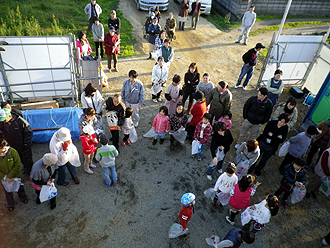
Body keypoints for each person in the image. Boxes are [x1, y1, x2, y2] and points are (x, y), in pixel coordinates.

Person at [0, 108, 33, 176]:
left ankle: (30, 172)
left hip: (23, 145)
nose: (3, 122)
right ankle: (25, 169)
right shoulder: (3, 122)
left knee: (27, 159)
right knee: (18, 158)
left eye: (4, 119)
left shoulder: (20, 121)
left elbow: (29, 132)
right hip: (13, 145)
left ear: (9, 116)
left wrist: (25, 144)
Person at [0, 139, 28, 211]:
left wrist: (10, 176)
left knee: (20, 187)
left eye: (5, 150)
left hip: (16, 176)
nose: (4, 152)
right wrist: (4, 177)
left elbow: (17, 164)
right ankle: (10, 204)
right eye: (1, 151)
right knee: (7, 191)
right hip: (4, 179)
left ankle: (23, 198)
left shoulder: (13, 152)